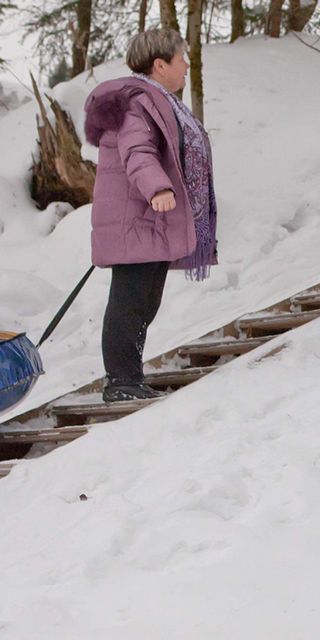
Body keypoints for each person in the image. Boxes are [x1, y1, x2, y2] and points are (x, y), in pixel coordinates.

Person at [84, 27, 219, 403]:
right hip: (136, 215)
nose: (187, 65)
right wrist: (157, 187)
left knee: (146, 301)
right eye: (181, 59)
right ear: (160, 65)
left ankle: (130, 378)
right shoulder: (137, 102)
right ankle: (121, 382)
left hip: (150, 218)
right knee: (129, 301)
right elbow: (137, 150)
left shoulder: (159, 100)